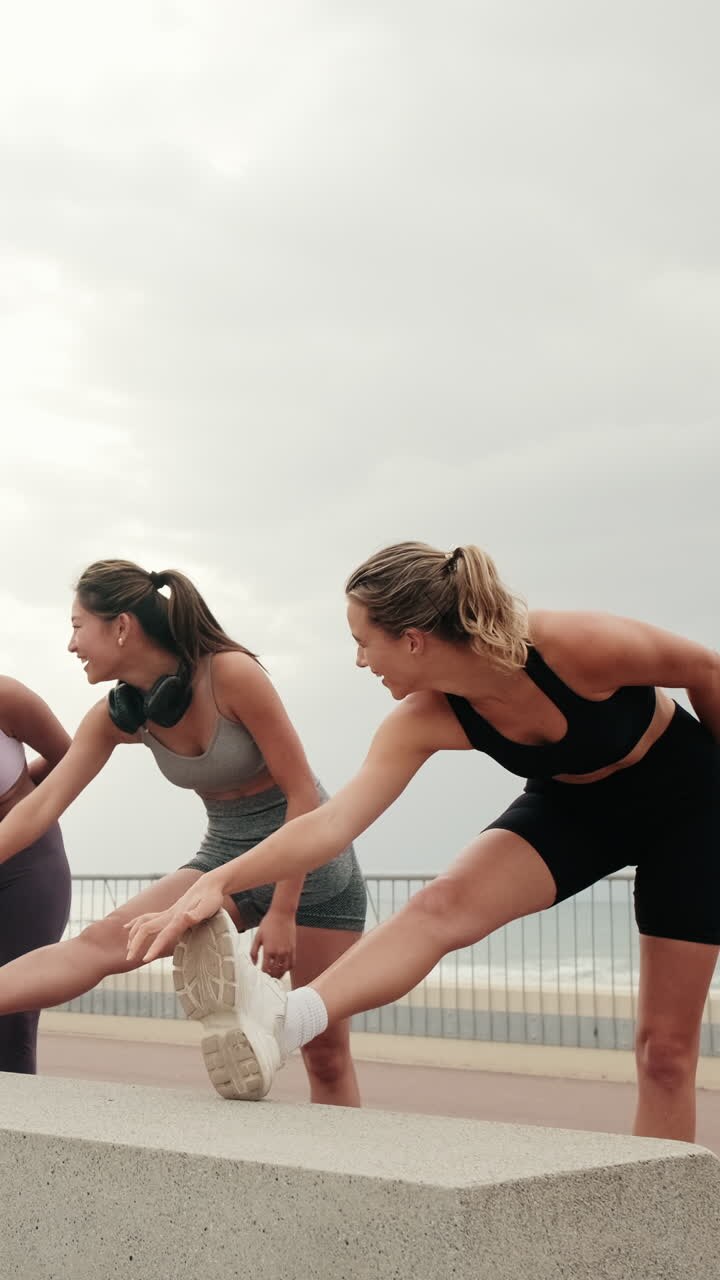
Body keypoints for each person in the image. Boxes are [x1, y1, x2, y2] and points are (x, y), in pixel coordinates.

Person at [127, 541, 720, 1141]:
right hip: (576, 807)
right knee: (439, 904)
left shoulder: (568, 645)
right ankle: (284, 1024)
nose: (360, 660)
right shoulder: (424, 718)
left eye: (364, 641)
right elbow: (333, 823)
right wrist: (220, 879)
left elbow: (706, 669)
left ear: (412, 640)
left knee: (665, 1053)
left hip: (692, 805)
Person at [0, 561, 366, 1105]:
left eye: (78, 627)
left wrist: (284, 909)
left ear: (121, 627)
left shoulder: (231, 675)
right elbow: (40, 808)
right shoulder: (118, 715)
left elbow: (302, 794)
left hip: (311, 862)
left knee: (326, 1052)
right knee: (103, 942)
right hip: (223, 859)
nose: (71, 644)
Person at [0, 676, 72, 1073]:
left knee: (11, 1020)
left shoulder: (6, 697)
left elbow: (72, 760)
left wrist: (19, 791)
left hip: (26, 866)